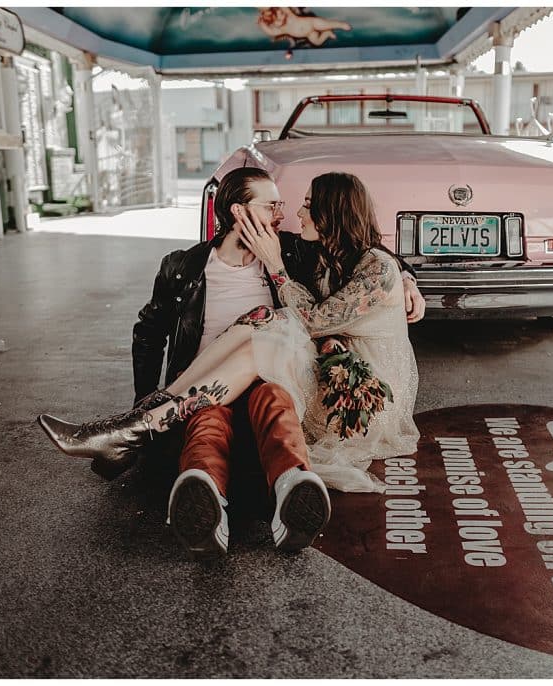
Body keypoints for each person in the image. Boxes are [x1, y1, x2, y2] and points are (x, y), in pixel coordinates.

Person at [40, 168, 424, 555]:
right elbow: (149, 332)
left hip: (276, 379)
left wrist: (407, 279)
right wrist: (144, 392)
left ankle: (289, 485)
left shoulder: (291, 250)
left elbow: (362, 247)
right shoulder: (184, 266)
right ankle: (199, 490)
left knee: (273, 394)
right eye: (272, 205)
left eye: (292, 205)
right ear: (239, 212)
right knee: (208, 419)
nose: (285, 214)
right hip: (206, 385)